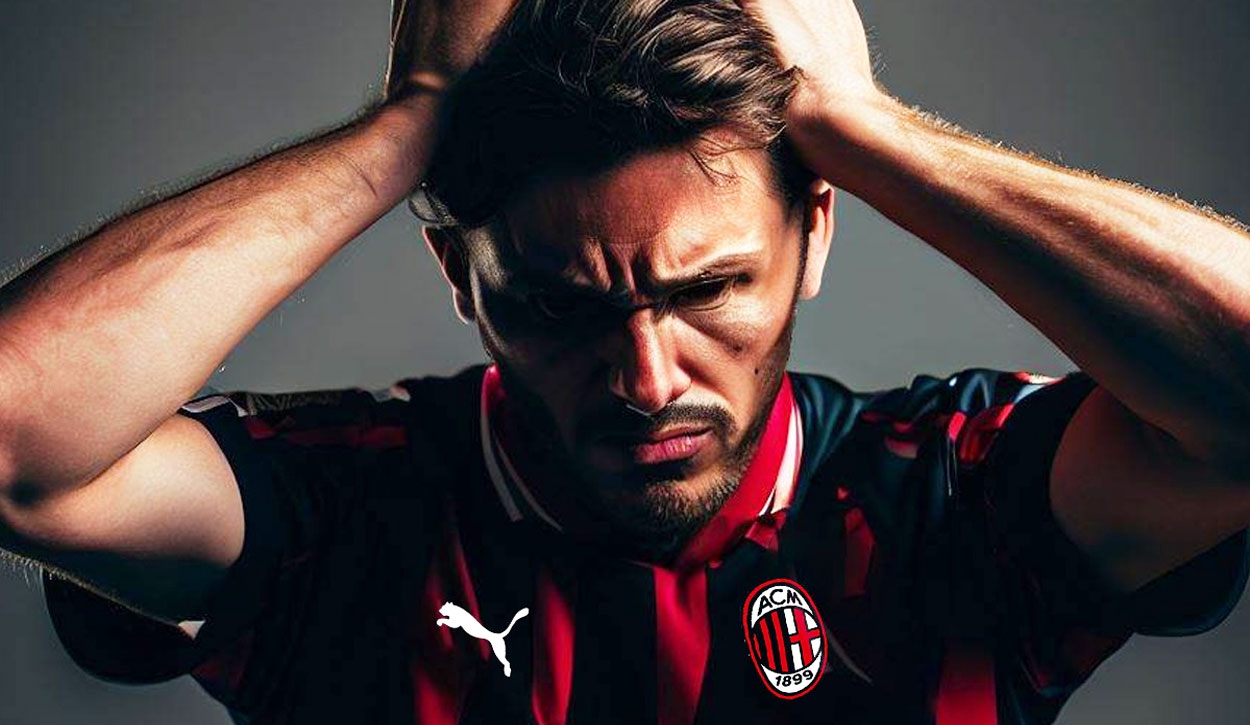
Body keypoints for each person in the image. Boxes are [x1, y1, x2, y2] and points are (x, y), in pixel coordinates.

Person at [1, 0, 1248, 723]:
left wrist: (865, 128)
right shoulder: (339, 508)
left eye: (707, 289)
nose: (648, 379)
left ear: (814, 232)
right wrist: (409, 125)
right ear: (461, 279)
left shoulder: (948, 495)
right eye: (559, 306)